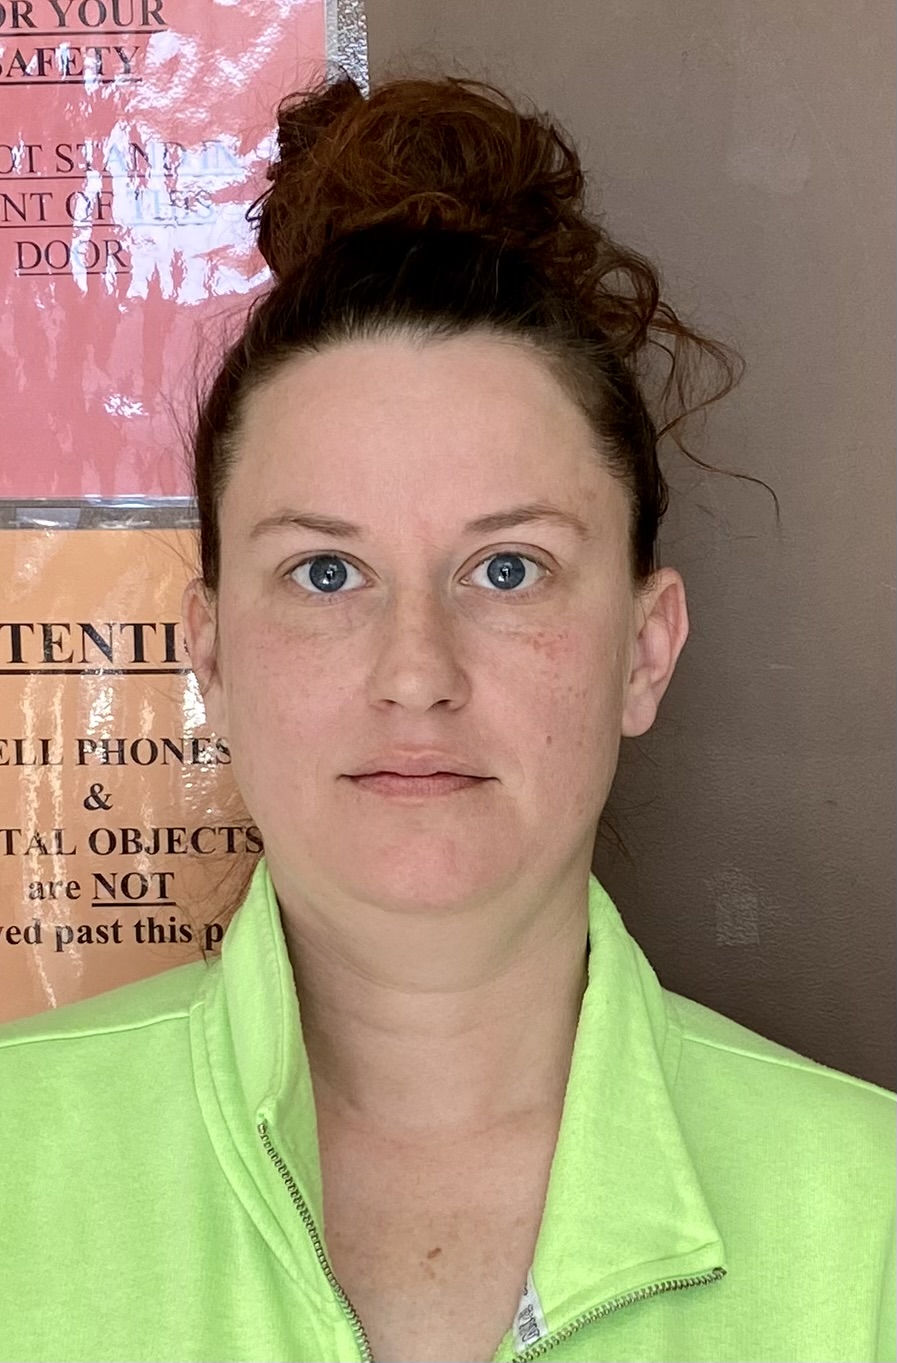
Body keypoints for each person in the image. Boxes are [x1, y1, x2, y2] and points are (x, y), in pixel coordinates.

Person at [0, 70, 894, 1363]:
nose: (414, 672)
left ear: (644, 652)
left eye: (507, 569)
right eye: (325, 573)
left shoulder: (869, 1222)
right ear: (211, 653)